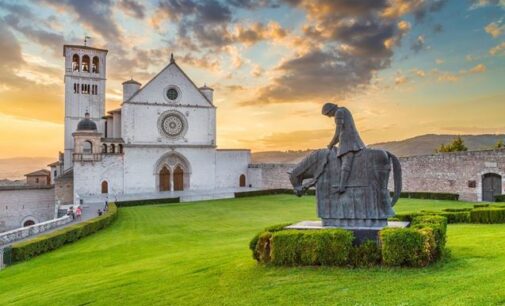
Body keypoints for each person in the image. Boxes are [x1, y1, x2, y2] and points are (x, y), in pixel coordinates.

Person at [322, 103, 366, 193]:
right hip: (349, 140)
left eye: (328, 114)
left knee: (346, 162)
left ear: (330, 110)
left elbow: (338, 132)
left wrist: (330, 144)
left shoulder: (339, 112)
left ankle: (342, 186)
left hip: (348, 142)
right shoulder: (344, 110)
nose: (329, 117)